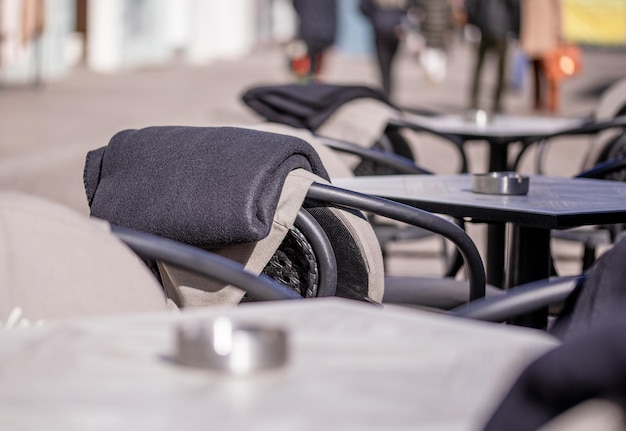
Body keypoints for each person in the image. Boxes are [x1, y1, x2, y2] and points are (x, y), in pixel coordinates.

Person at [465, 0, 520, 114]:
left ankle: (474, 101)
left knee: (479, 67)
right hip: (502, 27)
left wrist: (474, 22)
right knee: (501, 69)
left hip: (484, 26)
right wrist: (516, 29)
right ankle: (497, 103)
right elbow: (514, 5)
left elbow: (471, 4)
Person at [359, 0, 416, 101]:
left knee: (387, 66)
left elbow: (413, 7)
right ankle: (387, 95)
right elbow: (363, 7)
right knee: (386, 66)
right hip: (385, 30)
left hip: (393, 32)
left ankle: (387, 95)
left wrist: (403, 23)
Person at [519, 0, 563, 113]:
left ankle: (551, 101)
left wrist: (559, 31)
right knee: (535, 70)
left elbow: (558, 8)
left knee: (550, 71)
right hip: (532, 30)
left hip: (546, 31)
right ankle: (537, 100)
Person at [292, 0, 338, 82]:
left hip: (308, 30)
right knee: (317, 64)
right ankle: (315, 82)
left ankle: (305, 84)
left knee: (306, 63)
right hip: (325, 32)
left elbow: (296, 5)